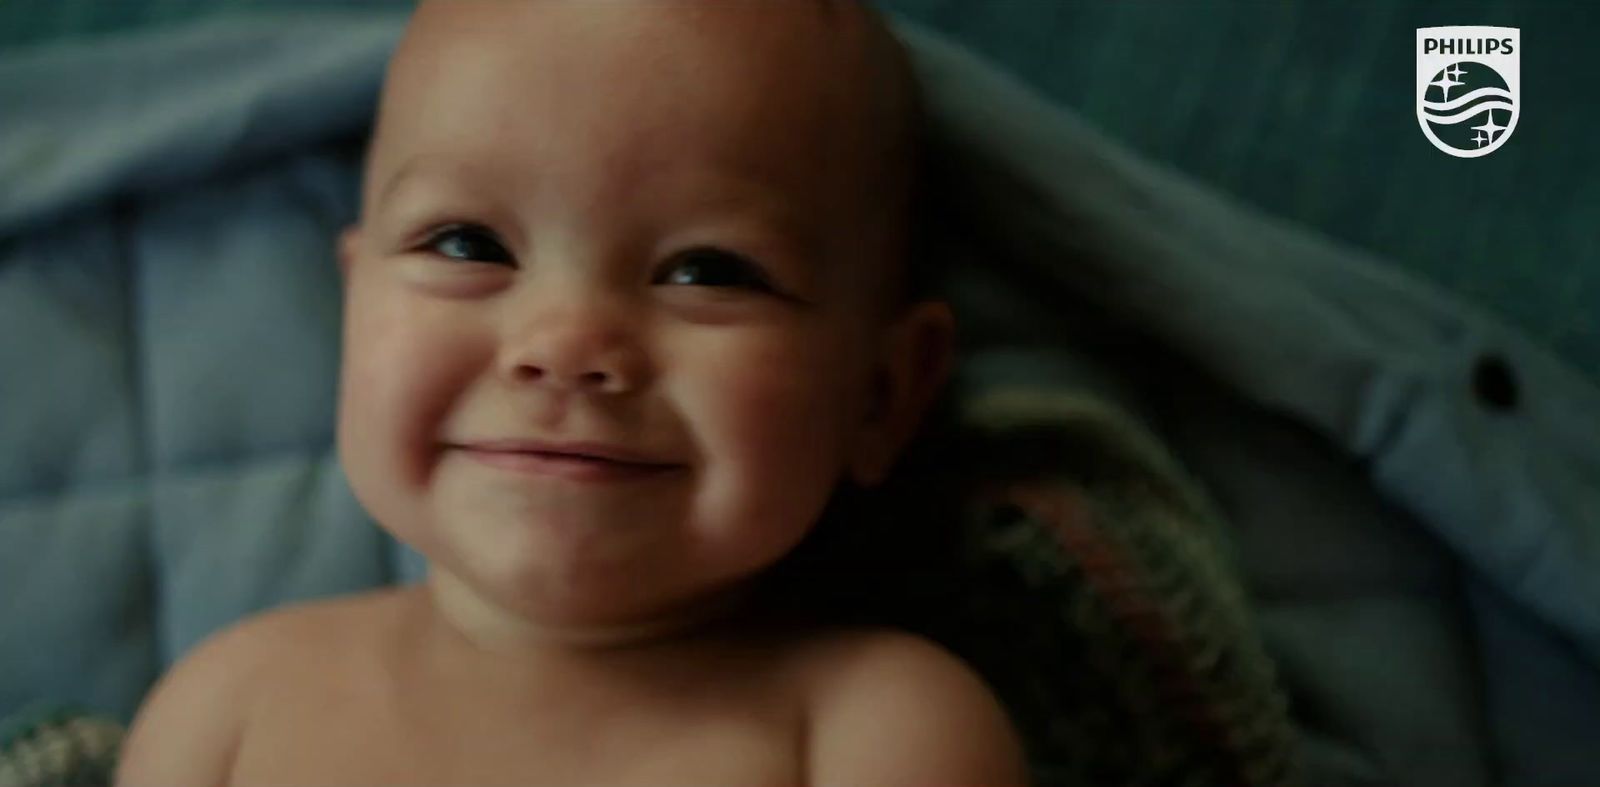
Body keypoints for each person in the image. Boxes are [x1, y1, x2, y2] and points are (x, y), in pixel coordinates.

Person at [116, 1, 1028, 784]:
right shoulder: (227, 709)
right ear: (354, 304)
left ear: (882, 394)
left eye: (707, 271)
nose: (566, 345)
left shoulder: (873, 733)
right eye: (468, 245)